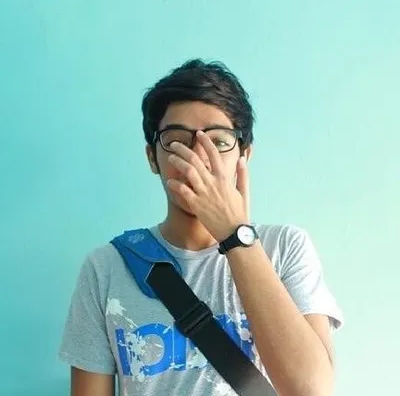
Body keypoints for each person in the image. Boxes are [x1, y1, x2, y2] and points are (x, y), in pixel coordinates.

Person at [59, 59, 344, 396]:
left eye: (219, 142)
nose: (198, 157)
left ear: (244, 155)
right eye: (177, 140)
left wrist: (235, 234)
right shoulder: (106, 268)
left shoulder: (285, 247)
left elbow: (311, 390)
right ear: (152, 157)